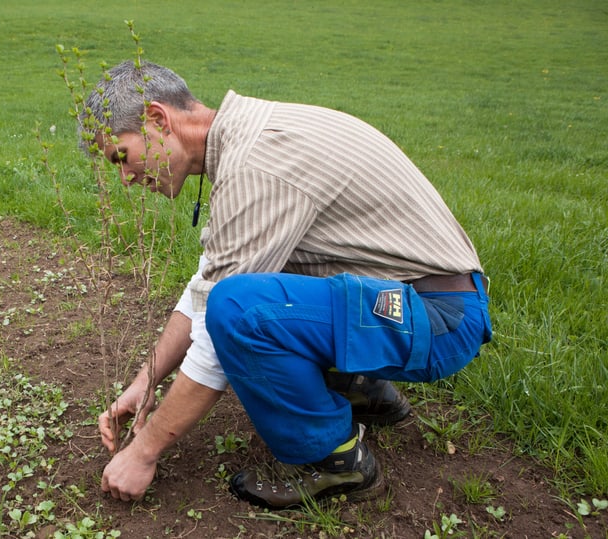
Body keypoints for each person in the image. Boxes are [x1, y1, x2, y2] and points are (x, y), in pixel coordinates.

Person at [83, 61, 492, 509]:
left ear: (158, 120)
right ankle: (361, 392)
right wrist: (147, 380)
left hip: (437, 320)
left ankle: (338, 463)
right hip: (415, 303)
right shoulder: (248, 140)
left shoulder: (257, 165)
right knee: (237, 294)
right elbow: (206, 282)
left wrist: (143, 454)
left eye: (122, 156)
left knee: (239, 311)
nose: (125, 178)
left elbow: (217, 331)